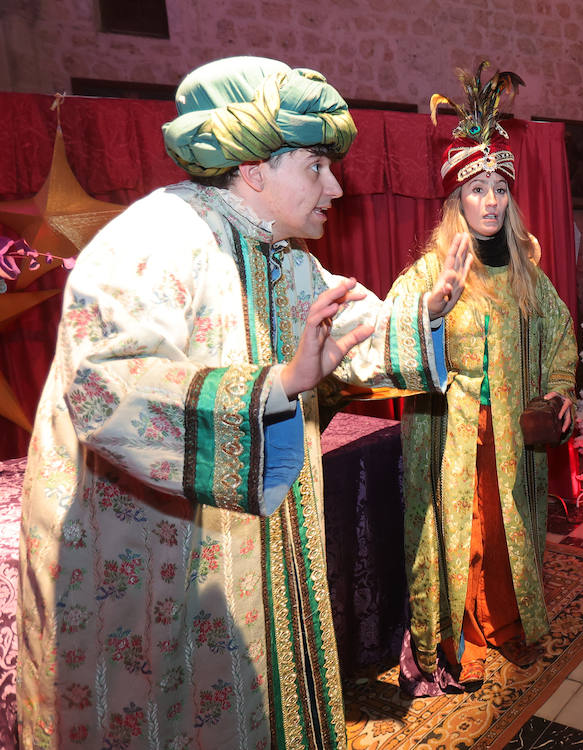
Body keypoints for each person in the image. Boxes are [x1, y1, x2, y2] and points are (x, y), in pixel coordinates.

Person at [17, 57, 469, 747]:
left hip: (241, 552)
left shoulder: (279, 254)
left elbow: (350, 331)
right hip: (149, 560)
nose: (337, 187)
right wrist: (278, 386)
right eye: (316, 166)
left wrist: (422, 318)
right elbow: (103, 387)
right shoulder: (156, 240)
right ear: (255, 168)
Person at [391, 64, 577, 696]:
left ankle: (505, 619)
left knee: (508, 531)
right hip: (454, 440)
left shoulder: (527, 270)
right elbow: (394, 335)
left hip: (514, 439)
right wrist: (431, 311)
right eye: (478, 189)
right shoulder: (428, 272)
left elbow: (558, 334)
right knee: (462, 532)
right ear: (456, 200)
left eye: (501, 187)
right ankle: (457, 638)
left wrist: (560, 388)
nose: (491, 201)